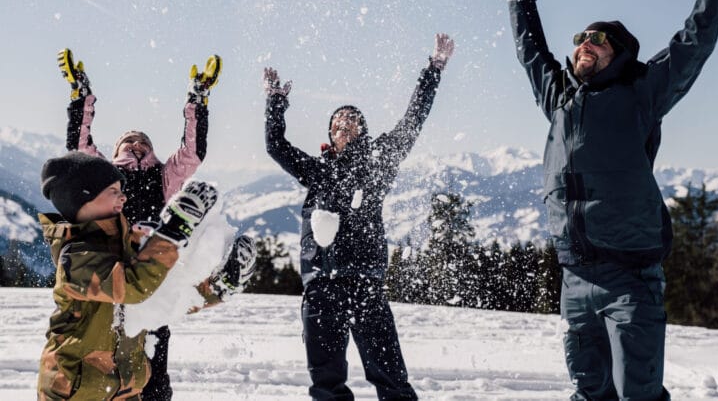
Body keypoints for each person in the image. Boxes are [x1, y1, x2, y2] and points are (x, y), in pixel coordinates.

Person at [504, 0, 718, 400]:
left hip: (629, 281)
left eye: (597, 39)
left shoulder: (641, 93)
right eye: (580, 39)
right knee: (589, 393)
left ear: (620, 52)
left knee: (637, 395)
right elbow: (531, 51)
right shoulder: (561, 98)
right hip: (574, 278)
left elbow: (696, 39)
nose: (584, 44)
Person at [263, 33, 455, 400]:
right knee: (326, 383)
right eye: (338, 121)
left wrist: (434, 69)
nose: (345, 123)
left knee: (391, 378)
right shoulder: (318, 170)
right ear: (330, 135)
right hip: (320, 285)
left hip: (365, 283)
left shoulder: (378, 163)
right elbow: (276, 146)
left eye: (352, 120)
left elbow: (413, 119)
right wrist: (275, 102)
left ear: (362, 131)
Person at [57, 49, 255, 400]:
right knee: (102, 357)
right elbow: (79, 145)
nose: (136, 143)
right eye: (128, 140)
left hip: (153, 272)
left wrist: (198, 99)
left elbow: (192, 153)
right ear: (117, 149)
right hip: (110, 267)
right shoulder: (106, 174)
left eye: (142, 141)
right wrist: (81, 96)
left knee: (152, 365)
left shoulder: (162, 177)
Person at [37, 151, 218, 400]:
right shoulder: (77, 258)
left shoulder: (125, 246)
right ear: (84, 197)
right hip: (75, 392)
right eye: (113, 190)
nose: (123, 195)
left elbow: (165, 298)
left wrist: (216, 288)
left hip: (123, 390)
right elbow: (133, 287)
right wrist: (173, 230)